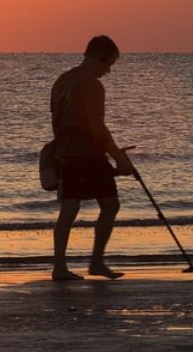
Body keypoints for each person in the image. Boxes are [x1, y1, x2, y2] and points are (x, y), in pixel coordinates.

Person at [50, 35, 135, 281]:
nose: (108, 71)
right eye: (108, 65)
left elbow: (56, 120)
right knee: (110, 204)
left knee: (69, 209)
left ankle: (59, 267)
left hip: (65, 152)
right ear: (100, 57)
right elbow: (98, 128)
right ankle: (96, 262)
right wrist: (119, 158)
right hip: (87, 153)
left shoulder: (62, 80)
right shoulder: (91, 84)